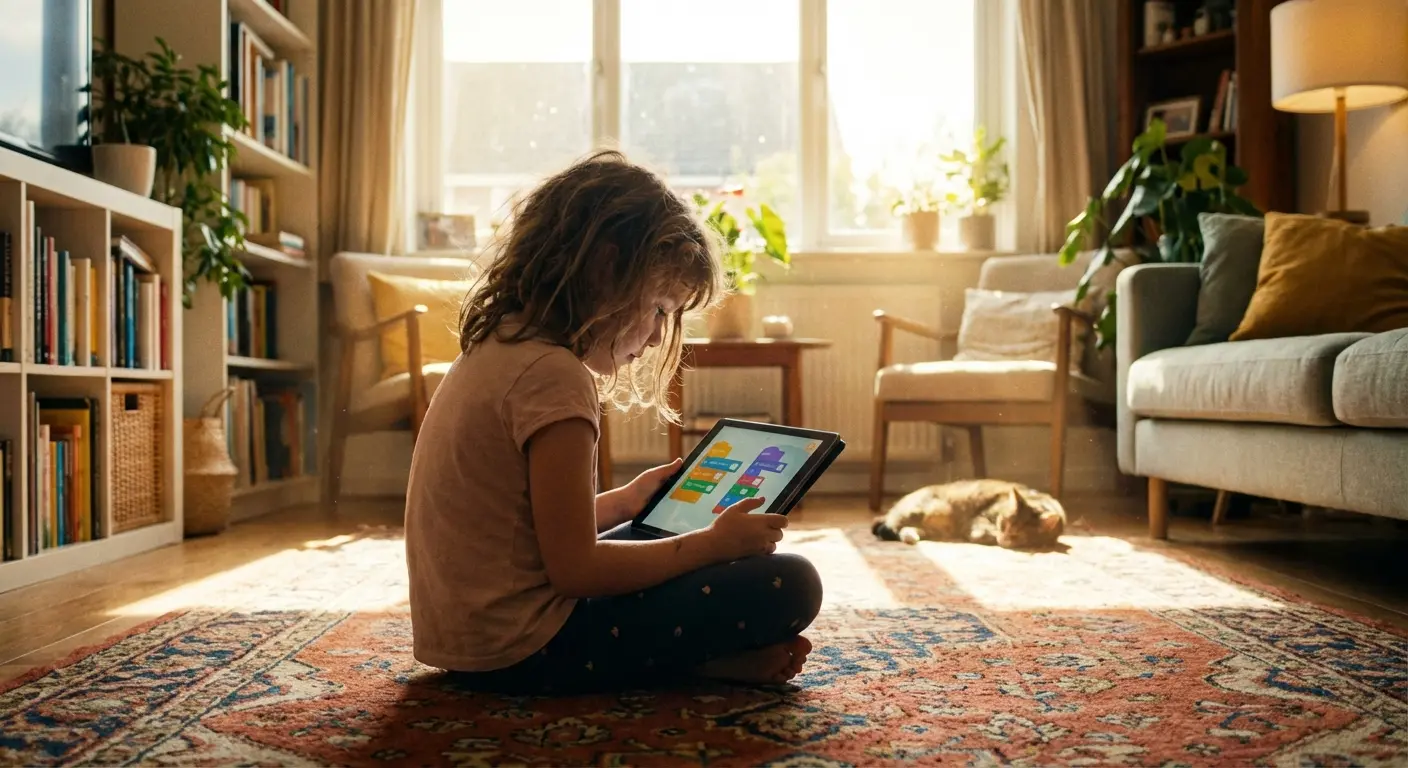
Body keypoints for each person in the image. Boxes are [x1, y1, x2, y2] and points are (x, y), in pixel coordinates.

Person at [404, 150, 823, 695]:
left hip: (467, 636)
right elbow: (576, 570)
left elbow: (524, 534)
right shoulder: (554, 377)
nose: (655, 337)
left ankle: (696, 660)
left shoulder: (498, 346)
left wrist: (623, 503)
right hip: (521, 652)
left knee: (646, 534)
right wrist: (711, 547)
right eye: (659, 308)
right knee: (788, 582)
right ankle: (688, 665)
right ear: (606, 269)